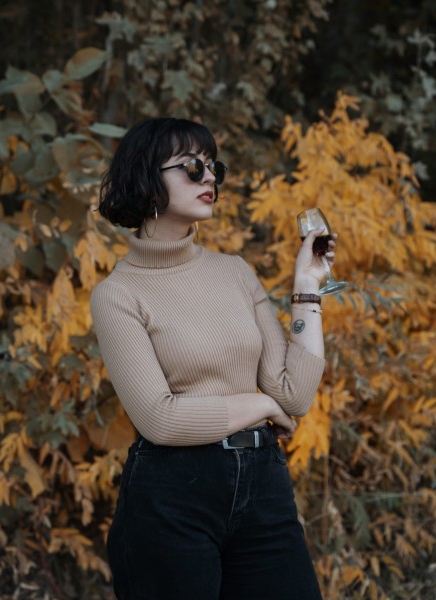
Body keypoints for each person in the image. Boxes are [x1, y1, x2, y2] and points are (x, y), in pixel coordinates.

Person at [91, 117, 335, 600]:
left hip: (263, 486)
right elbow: (160, 419)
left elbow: (294, 392)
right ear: (146, 176)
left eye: (213, 168)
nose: (210, 179)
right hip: (171, 497)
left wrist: (308, 288)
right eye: (193, 168)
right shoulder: (117, 294)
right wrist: (262, 408)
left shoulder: (234, 272)